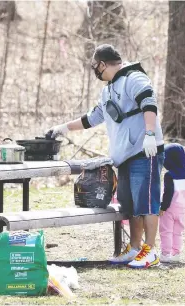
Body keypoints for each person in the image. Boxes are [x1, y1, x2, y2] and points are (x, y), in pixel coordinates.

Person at [46, 44, 165, 268]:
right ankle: (135, 248)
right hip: (125, 156)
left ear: (102, 63)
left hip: (144, 151)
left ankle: (151, 251)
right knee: (129, 205)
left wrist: (150, 133)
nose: (95, 71)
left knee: (146, 202)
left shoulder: (133, 77)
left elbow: (149, 102)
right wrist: (63, 127)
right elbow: (93, 117)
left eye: (95, 67)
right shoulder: (108, 89)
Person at [159, 143, 185, 263]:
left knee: (166, 231)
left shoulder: (169, 175)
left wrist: (163, 207)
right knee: (178, 232)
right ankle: (176, 253)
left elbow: (168, 193)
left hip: (169, 209)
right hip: (182, 208)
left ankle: (165, 254)